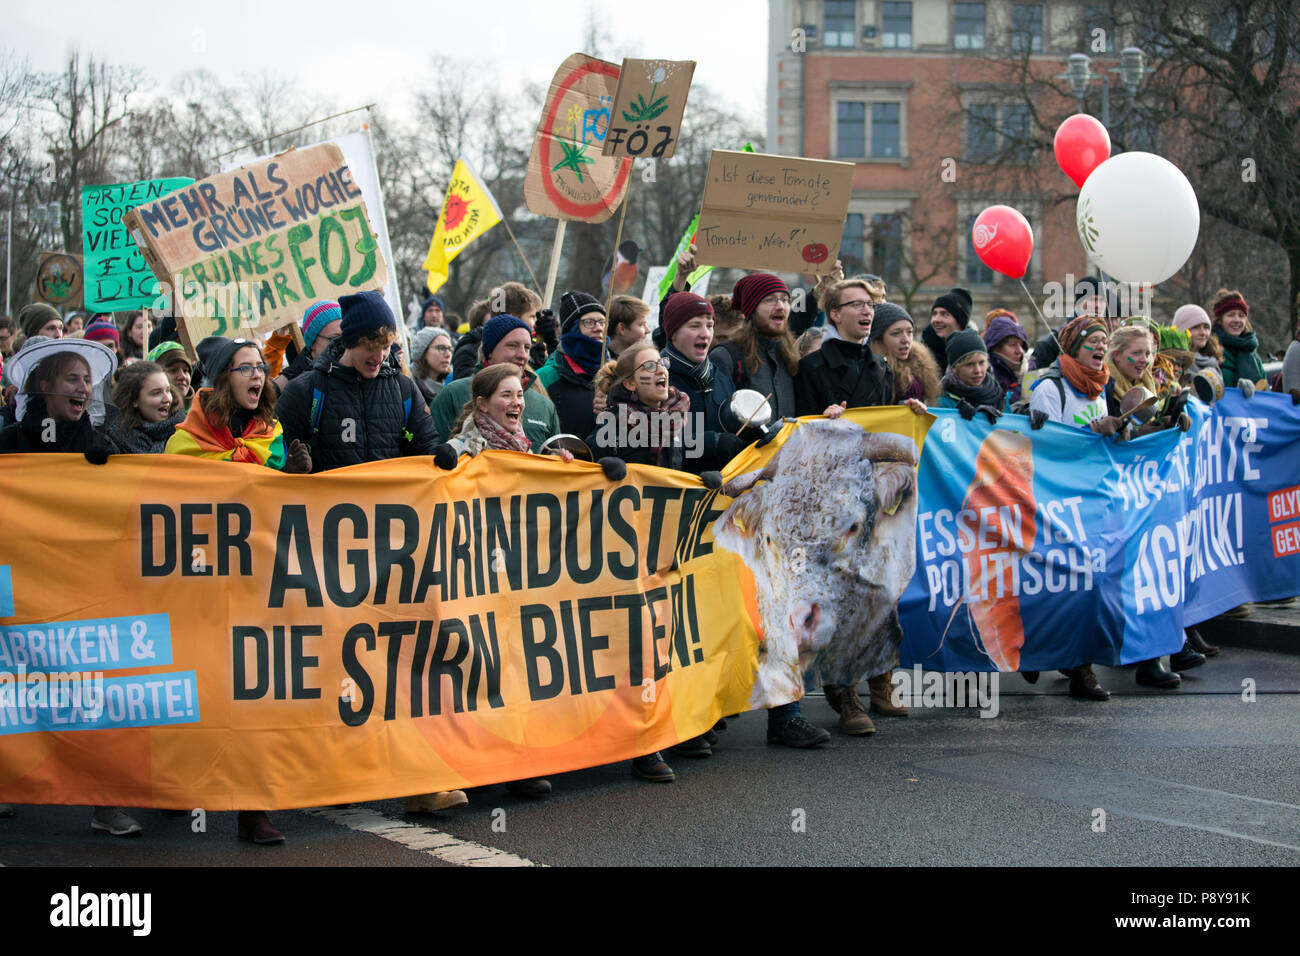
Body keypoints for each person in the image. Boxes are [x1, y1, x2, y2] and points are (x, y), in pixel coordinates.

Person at [164, 335, 310, 843]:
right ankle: (176, 783)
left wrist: (291, 477)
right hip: (204, 588)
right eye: (245, 367)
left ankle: (254, 808)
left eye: (260, 368)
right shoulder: (185, 440)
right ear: (222, 376)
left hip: (260, 587)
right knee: (206, 693)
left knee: (256, 694)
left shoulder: (271, 434)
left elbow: (280, 510)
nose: (256, 377)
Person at [0, 337, 138, 834]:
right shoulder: (9, 443)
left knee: (97, 689)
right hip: (20, 592)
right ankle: (7, 783)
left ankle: (106, 802)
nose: (82, 388)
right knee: (12, 689)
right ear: (43, 386)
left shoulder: (100, 445)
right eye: (71, 379)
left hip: (81, 590)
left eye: (86, 380)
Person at [1026, 314, 1125, 701]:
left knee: (1087, 585)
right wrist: (1090, 433)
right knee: (1052, 584)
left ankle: (1081, 669)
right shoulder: (1051, 388)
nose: (1101, 350)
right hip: (1053, 501)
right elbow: (1044, 446)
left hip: (1089, 500)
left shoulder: (1098, 388)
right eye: (1092, 344)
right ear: (1072, 349)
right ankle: (1036, 650)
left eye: (1104, 344)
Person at [276, 291, 439, 471]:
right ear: (349, 341)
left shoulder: (404, 388)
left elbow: (425, 448)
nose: (379, 357)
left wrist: (441, 455)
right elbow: (274, 463)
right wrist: (290, 470)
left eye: (385, 347)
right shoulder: (303, 391)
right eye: (371, 348)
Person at [431, 313, 560, 451]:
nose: (522, 355)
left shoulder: (544, 405)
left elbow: (553, 465)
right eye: (512, 346)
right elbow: (432, 458)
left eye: (527, 348)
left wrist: (559, 456)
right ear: (490, 351)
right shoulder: (453, 394)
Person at [710, 273, 801, 427]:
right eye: (770, 299)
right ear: (751, 309)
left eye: (785, 300)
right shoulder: (726, 356)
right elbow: (715, 419)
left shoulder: (789, 357)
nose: (780, 306)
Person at [542, 292, 606, 439]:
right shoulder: (545, 378)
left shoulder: (615, 375)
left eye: (602, 322)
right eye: (589, 322)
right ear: (572, 328)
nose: (599, 328)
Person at [870, 301, 941, 405]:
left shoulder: (921, 364)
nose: (906, 339)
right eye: (896, 333)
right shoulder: (872, 371)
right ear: (879, 339)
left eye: (909, 332)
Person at [1030, 276, 1106, 371]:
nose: (1097, 306)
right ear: (1079, 303)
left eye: (1102, 300)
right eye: (1092, 299)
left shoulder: (1109, 341)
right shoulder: (1051, 343)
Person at [109, 360, 184, 454]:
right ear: (134, 400)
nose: (167, 399)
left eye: (168, 390)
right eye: (156, 393)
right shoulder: (114, 441)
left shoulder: (185, 431)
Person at [934, 329, 1010, 415]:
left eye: (981, 362)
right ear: (954, 368)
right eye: (969, 364)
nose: (977, 370)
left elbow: (1012, 426)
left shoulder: (1000, 396)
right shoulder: (942, 401)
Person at [272, 300, 343, 393]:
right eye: (335, 339)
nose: (344, 344)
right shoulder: (290, 385)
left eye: (347, 336)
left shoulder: (359, 366)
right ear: (313, 343)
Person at [1210, 288, 1266, 389]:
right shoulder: (1211, 350)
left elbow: (1264, 390)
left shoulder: (1252, 353)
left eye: (1241, 316)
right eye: (1231, 315)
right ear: (1219, 320)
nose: (1237, 320)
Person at [983, 309, 1030, 407]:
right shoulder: (985, 377)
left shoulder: (1027, 369)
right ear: (995, 346)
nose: (1020, 351)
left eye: (1021, 345)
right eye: (1012, 345)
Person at [922, 287, 973, 374]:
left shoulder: (976, 354)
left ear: (960, 321)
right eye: (934, 314)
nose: (936, 320)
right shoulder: (920, 358)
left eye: (944, 314)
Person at [450, 297, 494, 381]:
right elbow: (464, 387)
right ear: (478, 327)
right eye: (492, 323)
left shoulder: (501, 347)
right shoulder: (466, 351)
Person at [1172, 304, 1222, 374]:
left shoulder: (1213, 363)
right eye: (1196, 327)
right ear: (1181, 331)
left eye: (1206, 327)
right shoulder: (1171, 365)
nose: (1203, 333)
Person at [147, 341, 195, 411]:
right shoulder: (145, 418)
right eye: (173, 370)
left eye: (185, 370)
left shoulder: (201, 414)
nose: (182, 376)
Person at [410, 326, 454, 403]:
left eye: (450, 349)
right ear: (423, 352)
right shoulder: (407, 385)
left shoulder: (453, 383)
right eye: (441, 348)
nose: (448, 355)